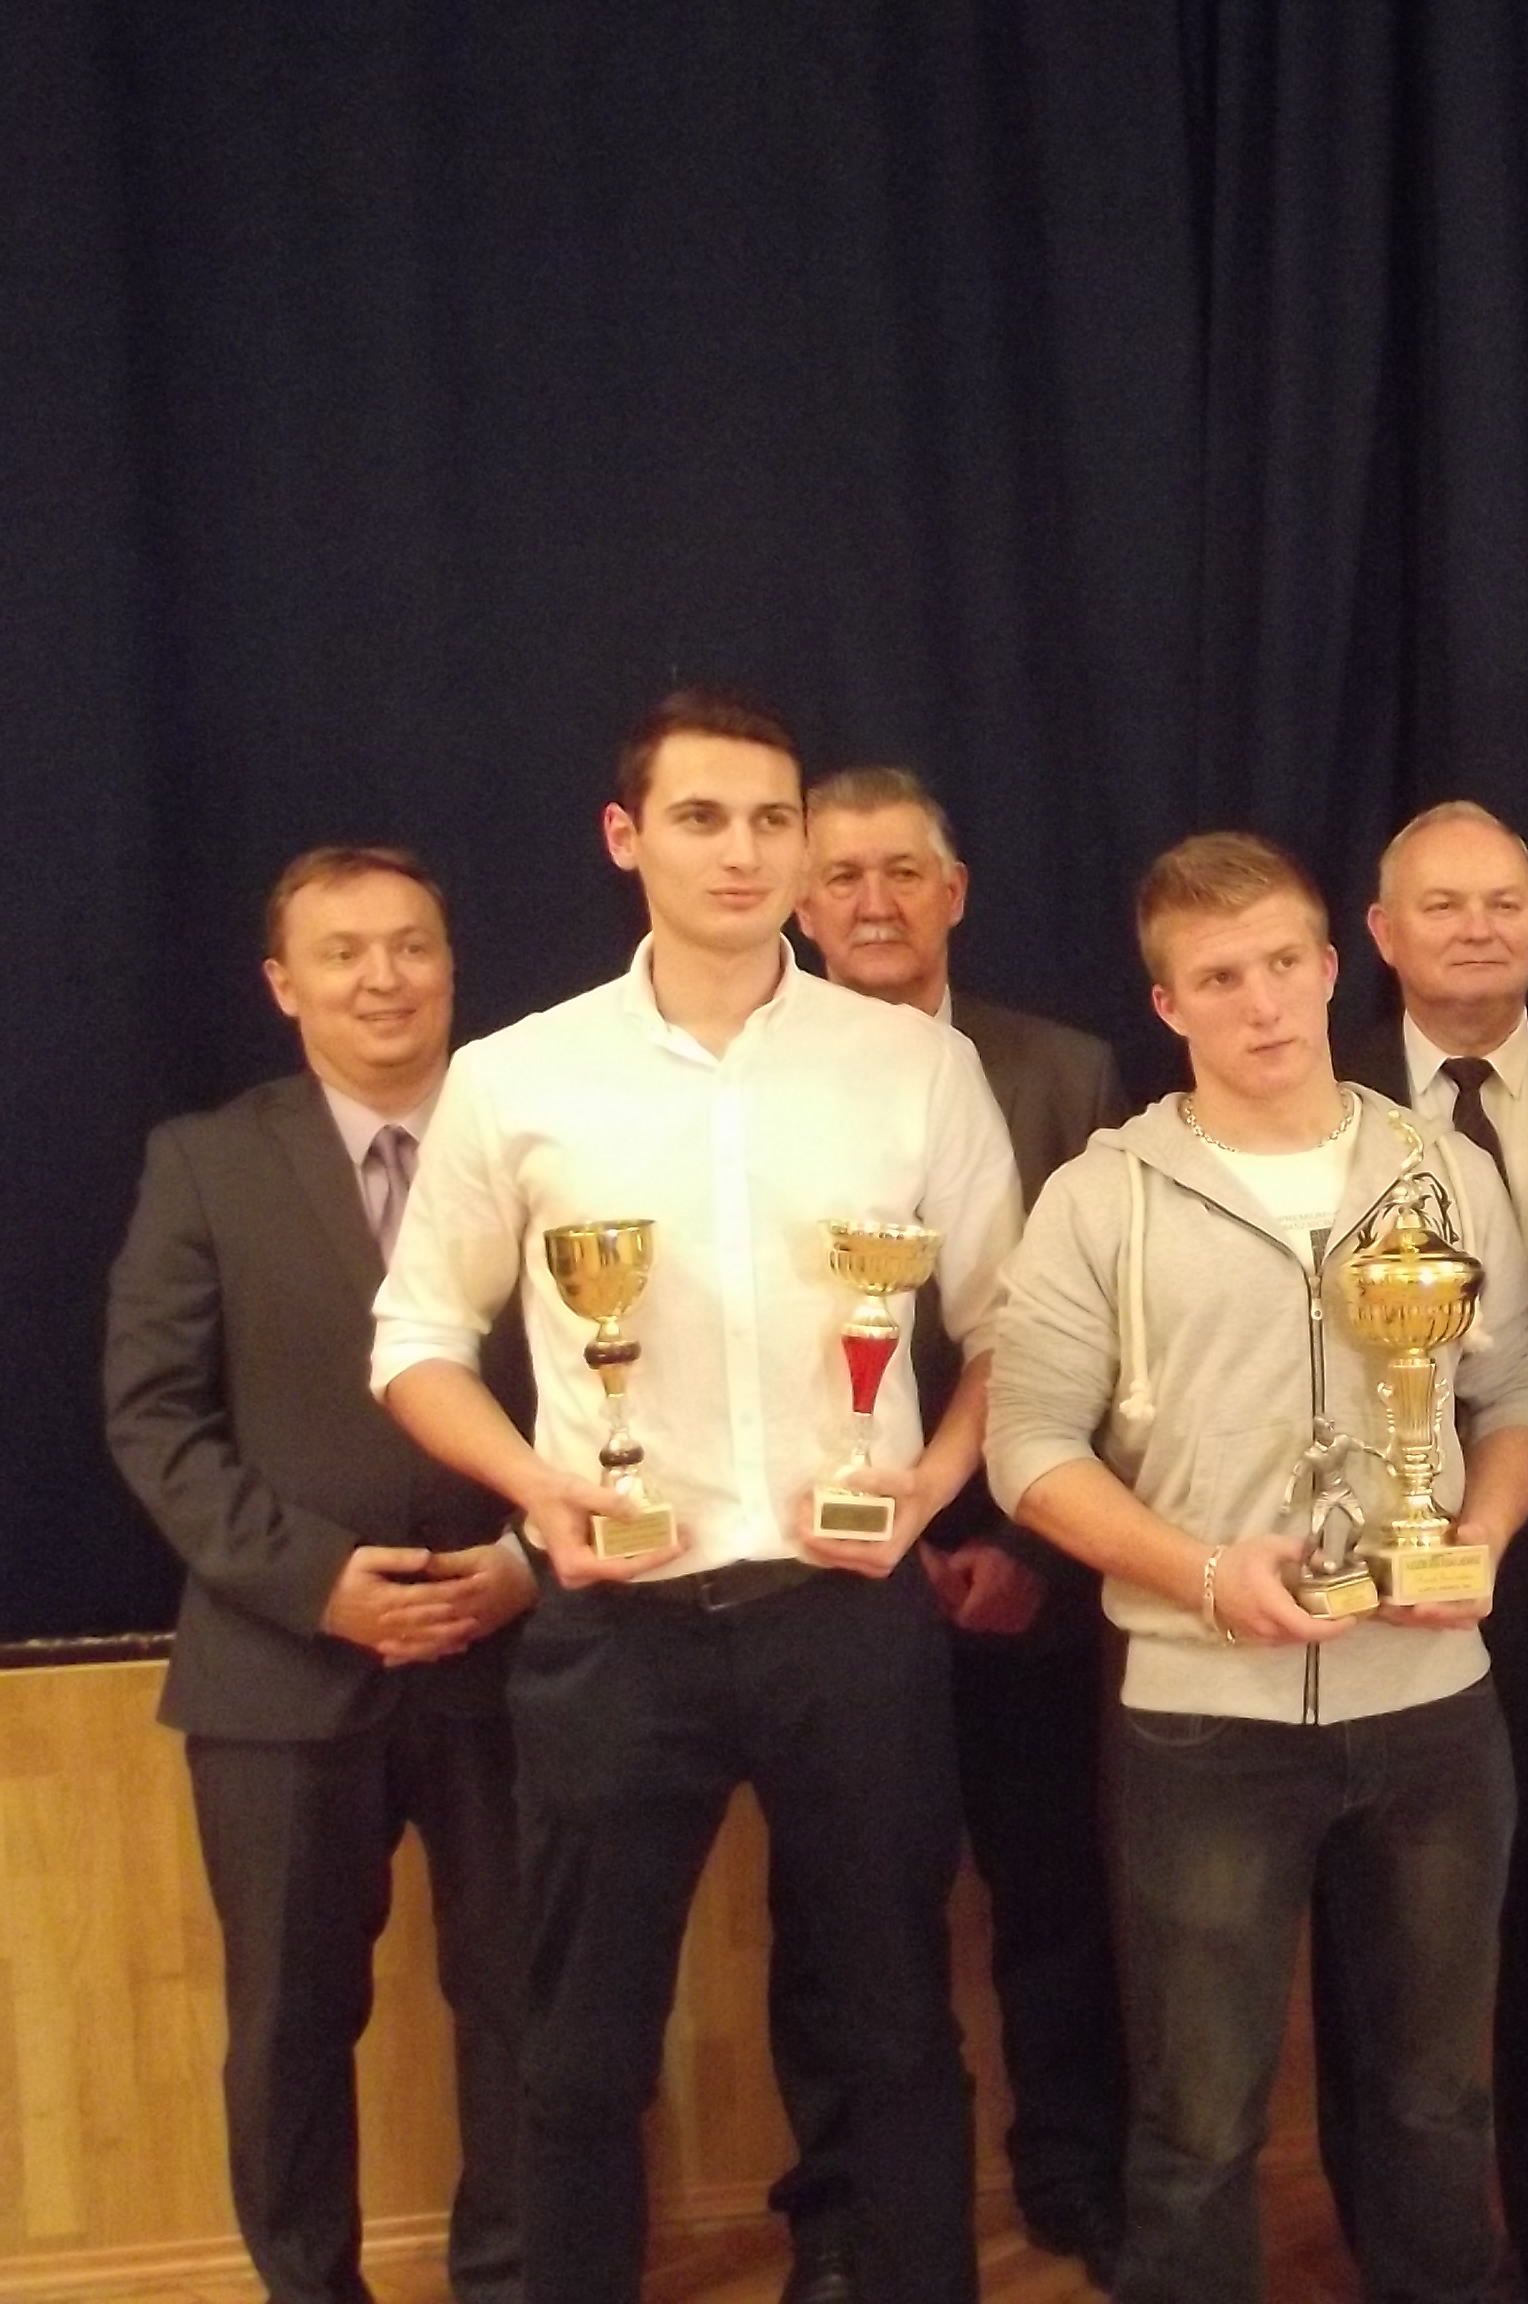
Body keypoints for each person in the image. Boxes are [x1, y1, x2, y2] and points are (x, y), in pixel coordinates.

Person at [371, 692, 1024, 2304]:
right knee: (580, 2052)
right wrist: (540, 1490)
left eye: (771, 820)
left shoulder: (915, 1067)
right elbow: (415, 1342)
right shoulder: (518, 1077)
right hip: (617, 1632)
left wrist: (933, 1483)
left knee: (896, 2029)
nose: (743, 852)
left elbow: (1017, 1333)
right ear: (626, 837)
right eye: (702, 818)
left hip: (846, 1621)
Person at [988, 831, 1528, 2304]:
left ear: (1330, 965)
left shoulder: (1443, 1172)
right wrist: (1199, 1575)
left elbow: (1518, 1399)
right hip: (1207, 1721)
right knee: (1198, 2123)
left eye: (1284, 964)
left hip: (1432, 1707)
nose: (1261, 1003)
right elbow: (1027, 1450)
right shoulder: (1100, 1197)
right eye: (1219, 978)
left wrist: (1482, 1535)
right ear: (1168, 1004)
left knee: (1438, 2100)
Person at [105, 845, 535, 2304]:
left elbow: (625, 1388)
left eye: (411, 945)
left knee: (527, 2006)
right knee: (289, 2025)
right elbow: (155, 1421)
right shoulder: (205, 1161)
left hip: (514, 1652)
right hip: (280, 1671)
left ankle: (513, 2279)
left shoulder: (542, 1143)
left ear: (452, 964)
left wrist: (528, 1565)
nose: (383, 978)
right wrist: (320, 1582)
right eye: (342, 953)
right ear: (284, 985)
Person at [775, 764, 1130, 2300]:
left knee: (1058, 1894)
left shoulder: (1063, 1073)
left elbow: (1120, 1329)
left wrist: (1033, 1549)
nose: (874, 902)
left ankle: (1078, 2177)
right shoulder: (750, 1079)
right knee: (835, 1914)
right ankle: (839, 2214)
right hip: (821, 1574)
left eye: (903, 872)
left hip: (1027, 1565)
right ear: (800, 903)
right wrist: (880, 1529)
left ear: (955, 891)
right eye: (843, 876)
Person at [1336, 800, 1528, 2304]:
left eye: (1505, 903)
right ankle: (1403, 2249)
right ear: (1380, 934)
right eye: (1442, 904)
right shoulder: (1307, 1085)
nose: (1477, 929)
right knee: (1377, 1917)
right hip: (1365, 1562)